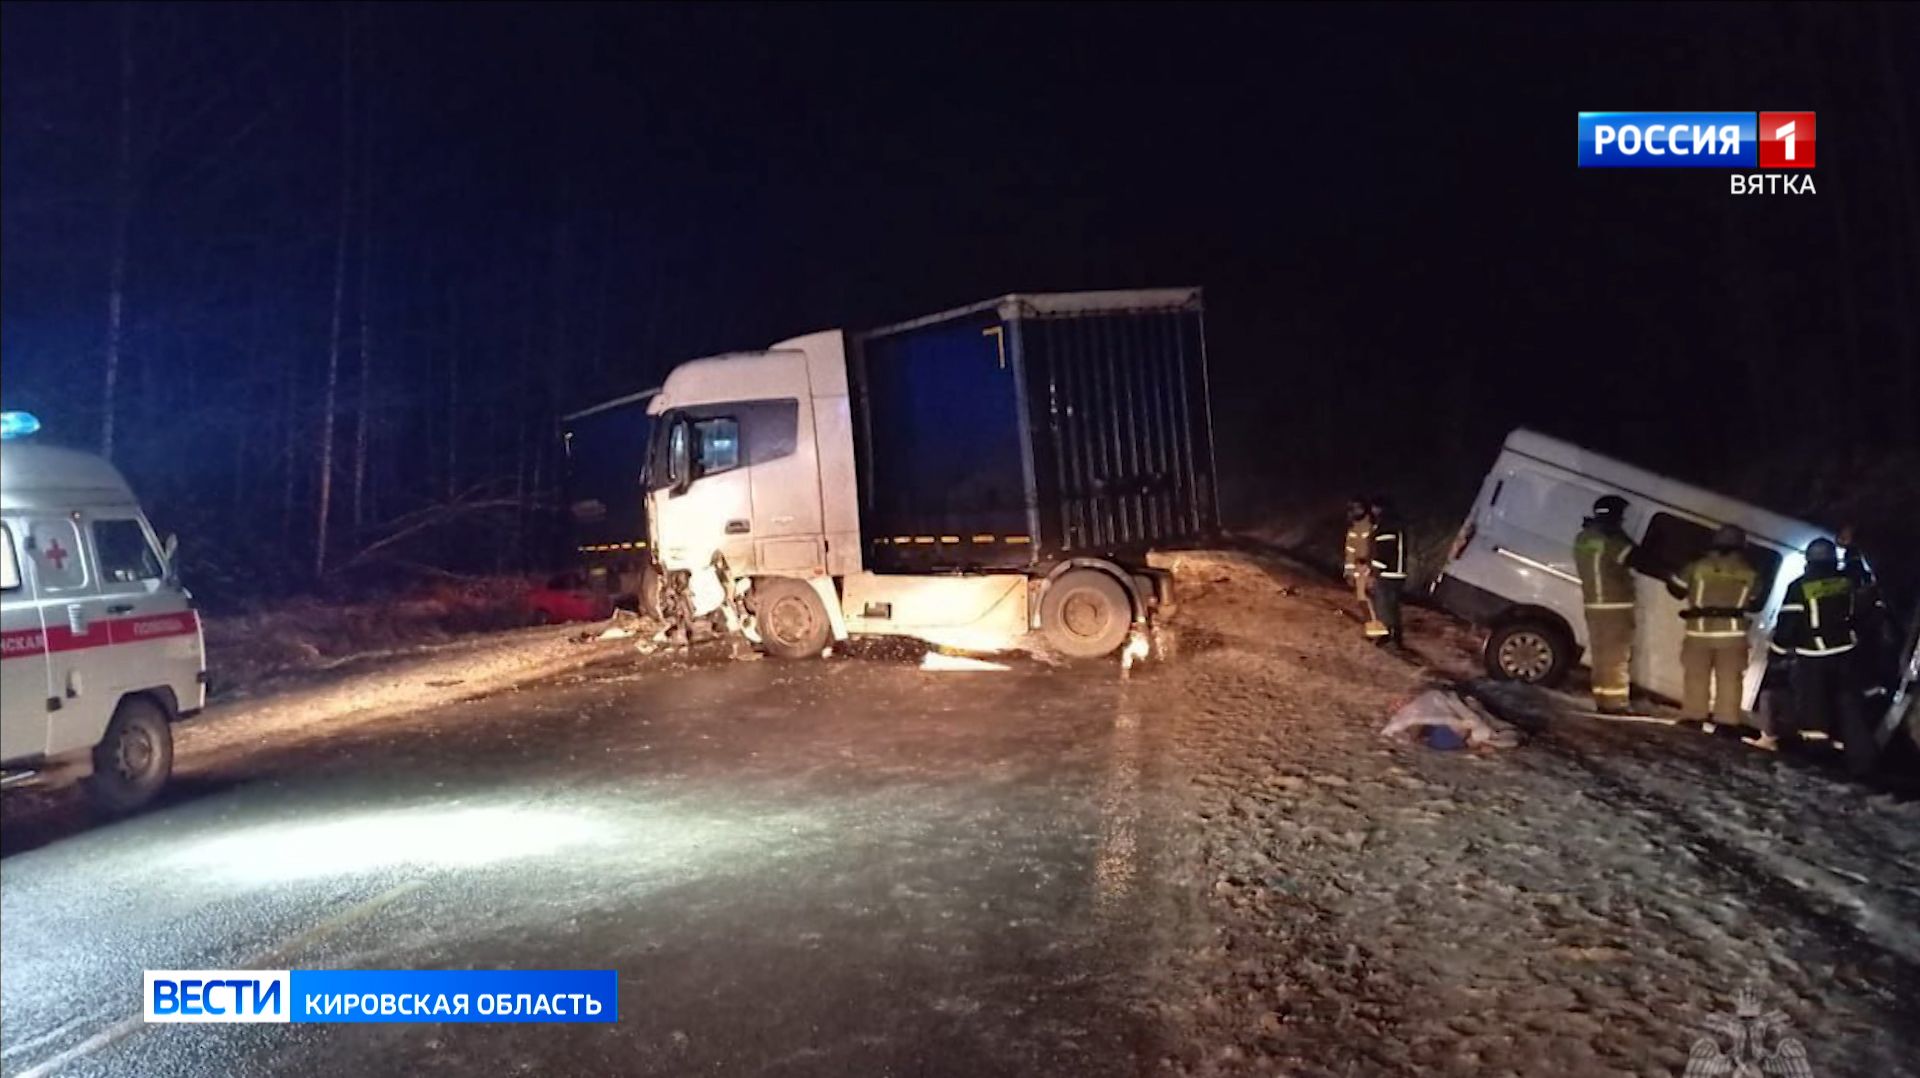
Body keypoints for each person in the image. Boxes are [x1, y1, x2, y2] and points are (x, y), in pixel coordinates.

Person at [1770, 538, 1874, 772]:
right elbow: (1860, 595)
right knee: (1847, 704)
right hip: (1846, 652)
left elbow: (1788, 622)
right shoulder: (1844, 581)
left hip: (1813, 654)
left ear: (1809, 559)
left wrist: (1777, 650)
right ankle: (1859, 758)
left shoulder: (1800, 586)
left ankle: (1818, 754)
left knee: (1813, 704)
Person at [1667, 524, 1764, 729]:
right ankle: (1727, 723)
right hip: (1732, 634)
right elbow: (1755, 599)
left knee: (1696, 675)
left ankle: (1694, 717)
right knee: (1730, 679)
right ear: (1742, 545)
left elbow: (1676, 589)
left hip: (1699, 631)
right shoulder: (1749, 571)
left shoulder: (1697, 565)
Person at [1573, 494, 1640, 714]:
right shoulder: (1611, 540)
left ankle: (1602, 697)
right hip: (1615, 605)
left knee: (1601, 656)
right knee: (1615, 658)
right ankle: (1615, 704)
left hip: (1594, 606)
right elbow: (1635, 557)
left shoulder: (1583, 537)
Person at [1366, 496, 1408, 647]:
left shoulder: (1387, 525)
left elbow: (1383, 551)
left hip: (1388, 573)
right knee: (1391, 606)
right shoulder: (1395, 524)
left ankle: (1387, 636)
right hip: (1395, 573)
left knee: (1384, 605)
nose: (1372, 511)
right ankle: (1395, 636)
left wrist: (1374, 571)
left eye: (1375, 508)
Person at [1342, 497, 1375, 605]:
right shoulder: (1352, 528)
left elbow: (1376, 548)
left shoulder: (1371, 525)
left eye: (1358, 508)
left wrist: (1372, 567)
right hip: (1358, 569)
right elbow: (1350, 551)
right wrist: (1349, 573)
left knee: (1374, 599)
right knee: (1361, 599)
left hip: (1370, 568)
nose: (1356, 511)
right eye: (1354, 508)